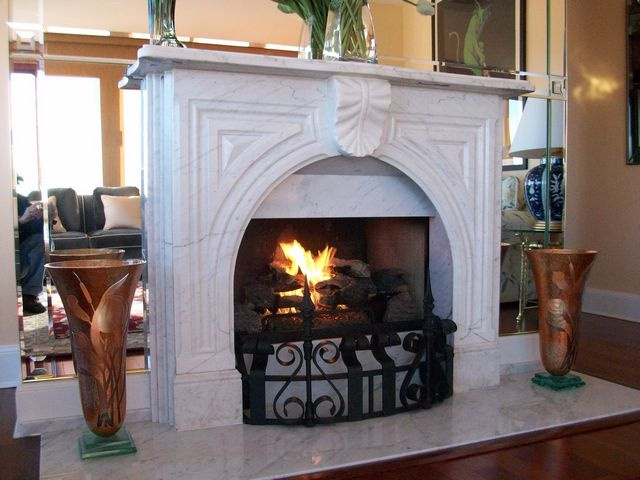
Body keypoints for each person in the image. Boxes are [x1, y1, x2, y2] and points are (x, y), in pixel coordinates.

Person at [17, 193, 46, 314]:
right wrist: (20, 220)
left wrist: (45, 215)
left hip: (19, 254)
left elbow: (37, 228)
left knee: (39, 241)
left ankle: (29, 294)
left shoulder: (19, 200)